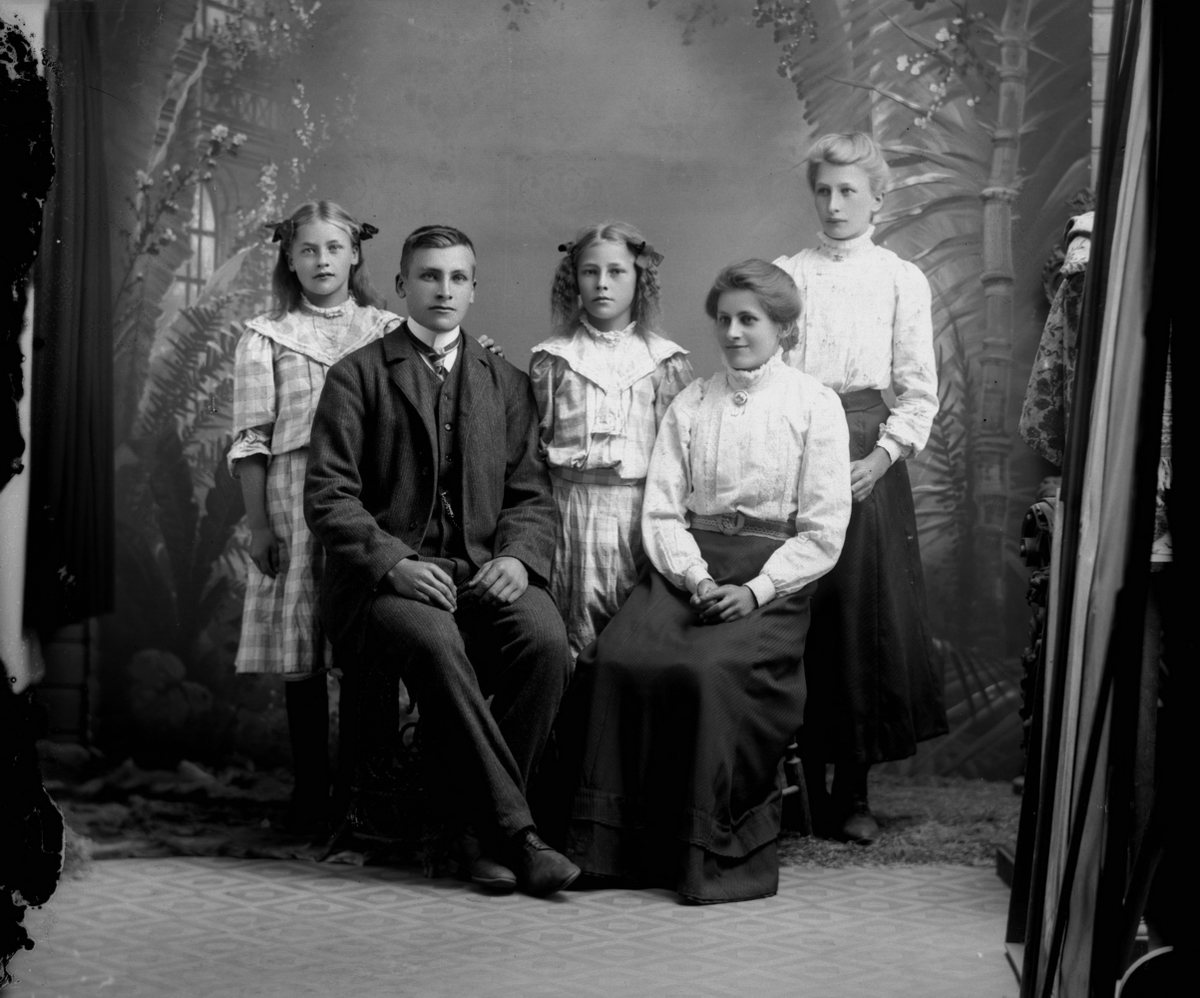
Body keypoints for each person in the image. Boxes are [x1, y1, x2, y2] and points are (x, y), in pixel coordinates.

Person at [550, 260, 851, 903]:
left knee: (707, 673)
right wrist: (693, 575)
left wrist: (755, 591)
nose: (734, 332)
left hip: (771, 579)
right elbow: (662, 510)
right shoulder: (693, 400)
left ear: (783, 328)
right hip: (689, 569)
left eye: (750, 320)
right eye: (724, 319)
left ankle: (700, 853)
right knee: (612, 661)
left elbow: (824, 530)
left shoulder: (815, 404)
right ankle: (606, 849)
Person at [304, 224, 579, 897]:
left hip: (482, 570)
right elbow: (328, 496)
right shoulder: (357, 375)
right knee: (434, 640)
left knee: (546, 642)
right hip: (384, 586)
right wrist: (393, 562)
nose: (444, 289)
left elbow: (531, 495)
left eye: (458, 278)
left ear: (474, 289)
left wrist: (519, 559)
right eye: (429, 276)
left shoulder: (505, 383)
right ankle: (516, 833)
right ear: (403, 284)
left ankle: (471, 830)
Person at [772, 132, 947, 844]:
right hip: (794, 443)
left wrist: (880, 458)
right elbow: (765, 369)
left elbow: (918, 388)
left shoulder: (901, 278)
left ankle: (855, 789)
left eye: (849, 190)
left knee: (859, 615)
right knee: (801, 608)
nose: (835, 203)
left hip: (866, 449)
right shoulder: (787, 274)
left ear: (879, 197)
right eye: (824, 190)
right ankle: (804, 782)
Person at [229, 200, 400, 831]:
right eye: (307, 250)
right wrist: (259, 525)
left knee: (365, 642)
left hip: (369, 495)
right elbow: (252, 439)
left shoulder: (388, 330)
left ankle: (361, 795)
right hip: (293, 496)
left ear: (354, 254)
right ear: (290, 258)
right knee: (302, 644)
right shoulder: (267, 336)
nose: (321, 260)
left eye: (333, 248)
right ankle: (309, 796)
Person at [530, 222, 693, 661]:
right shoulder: (554, 358)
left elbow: (675, 458)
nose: (602, 283)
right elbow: (536, 439)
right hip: (567, 511)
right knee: (566, 629)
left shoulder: (663, 361)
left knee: (628, 634)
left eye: (616, 272)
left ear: (639, 278)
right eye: (590, 272)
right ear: (575, 279)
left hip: (636, 515)